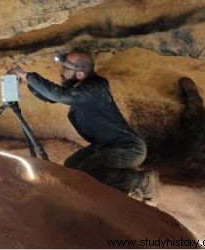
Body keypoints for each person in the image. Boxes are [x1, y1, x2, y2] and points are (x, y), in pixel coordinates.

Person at [10, 51, 158, 206]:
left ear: (80, 74)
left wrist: (29, 76)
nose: (61, 72)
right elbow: (50, 96)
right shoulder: (80, 89)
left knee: (89, 169)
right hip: (105, 146)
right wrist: (28, 83)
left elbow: (59, 95)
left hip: (129, 147)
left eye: (66, 69)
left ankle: (142, 181)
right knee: (72, 167)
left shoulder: (97, 87)